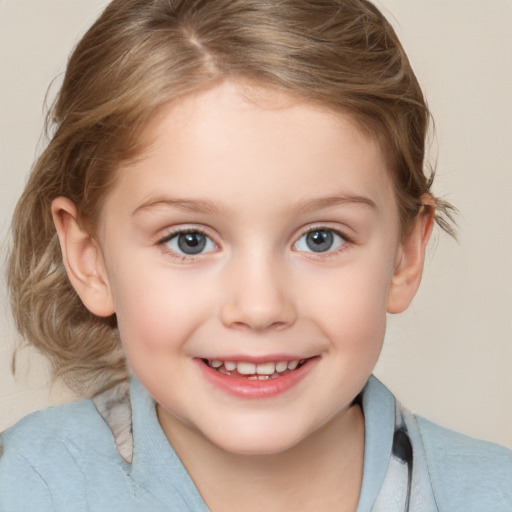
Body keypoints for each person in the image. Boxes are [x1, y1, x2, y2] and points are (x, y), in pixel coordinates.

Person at [0, 0, 510, 510]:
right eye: (189, 240)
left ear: (404, 254)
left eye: (320, 238)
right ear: (90, 259)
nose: (261, 308)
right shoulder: (23, 487)